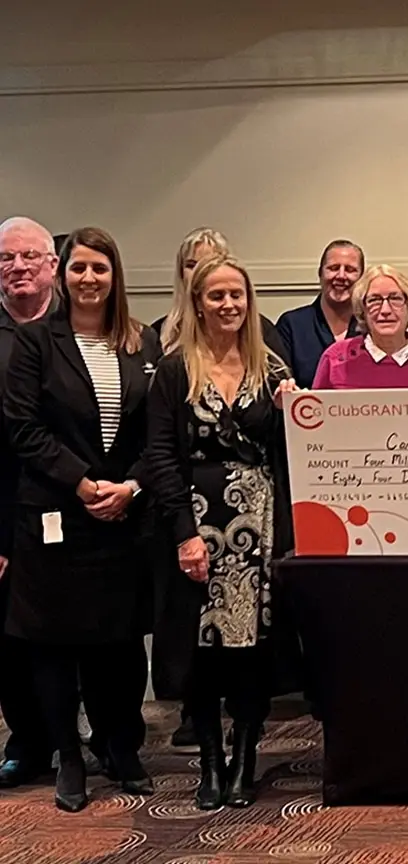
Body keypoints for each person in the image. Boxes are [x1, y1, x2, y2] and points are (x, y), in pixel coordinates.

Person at [3, 227, 161, 811]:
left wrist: (130, 485)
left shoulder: (140, 342)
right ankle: (68, 755)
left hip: (123, 514)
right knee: (54, 643)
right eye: (78, 269)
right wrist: (83, 481)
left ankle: (120, 748)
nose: (89, 279)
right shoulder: (36, 342)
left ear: (115, 275)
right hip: (54, 514)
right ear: (61, 275)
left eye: (100, 268)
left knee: (118, 644)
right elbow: (23, 428)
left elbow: (156, 432)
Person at [145, 253, 296, 811]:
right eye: (217, 296)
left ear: (249, 302)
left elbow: (292, 453)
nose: (229, 304)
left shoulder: (273, 370)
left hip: (261, 526)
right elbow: (160, 457)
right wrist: (184, 534)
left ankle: (245, 759)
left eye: (237, 295)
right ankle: (210, 760)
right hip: (195, 525)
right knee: (200, 652)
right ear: (198, 303)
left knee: (252, 652)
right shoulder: (173, 370)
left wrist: (291, 413)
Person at [0, 216, 59, 789]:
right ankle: (28, 742)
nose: (17, 267)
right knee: (9, 641)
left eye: (28, 257)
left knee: (86, 632)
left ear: (51, 266)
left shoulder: (79, 331)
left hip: (75, 508)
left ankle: (104, 740)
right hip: (4, 513)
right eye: (6, 259)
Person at [312, 265, 408, 390]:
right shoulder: (335, 359)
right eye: (374, 300)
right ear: (362, 310)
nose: (385, 310)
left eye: (395, 298)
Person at [154, 227, 288, 359]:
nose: (198, 272)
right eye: (191, 265)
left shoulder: (261, 329)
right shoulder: (159, 331)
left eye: (208, 264)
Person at [276, 240, 364, 388]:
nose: (341, 276)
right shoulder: (292, 325)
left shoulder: (372, 327)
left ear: (361, 277)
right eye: (333, 268)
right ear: (320, 273)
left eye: (350, 269)